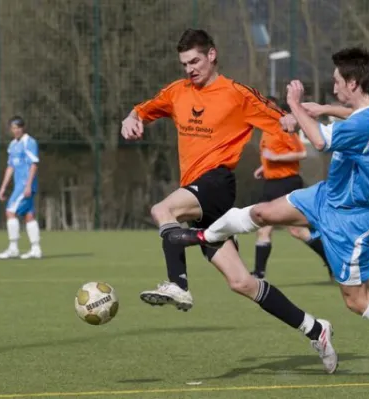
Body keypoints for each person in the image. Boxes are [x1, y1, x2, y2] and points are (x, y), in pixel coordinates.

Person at [167, 47, 369, 387]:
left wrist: (296, 105)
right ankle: (205, 236)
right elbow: (354, 112)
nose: (334, 87)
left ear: (354, 82)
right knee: (261, 212)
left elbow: (317, 139)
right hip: (327, 196)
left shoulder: (364, 122)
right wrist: (325, 108)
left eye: (337, 82)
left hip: (349, 217)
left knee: (357, 301)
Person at [121, 29, 338, 373]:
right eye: (184, 63)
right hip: (196, 193)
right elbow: (143, 109)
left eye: (195, 61)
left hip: (217, 183)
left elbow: (281, 119)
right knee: (242, 282)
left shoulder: (237, 94)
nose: (189, 68)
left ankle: (178, 284)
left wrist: (295, 116)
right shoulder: (177, 92)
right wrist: (131, 119)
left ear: (212, 55)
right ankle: (315, 328)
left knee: (162, 210)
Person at [251, 95, 336, 280]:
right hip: (271, 183)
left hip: (287, 182)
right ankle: (259, 274)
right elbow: (272, 154)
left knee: (297, 230)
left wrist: (275, 159)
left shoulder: (285, 129)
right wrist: (264, 166)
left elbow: (301, 152)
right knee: (263, 228)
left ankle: (332, 260)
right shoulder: (266, 130)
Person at [0, 116, 42, 260]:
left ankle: (13, 248)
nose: (15, 130)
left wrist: (28, 185)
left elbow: (34, 164)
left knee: (10, 211)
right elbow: (11, 167)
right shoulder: (12, 145)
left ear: (23, 128)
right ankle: (36, 249)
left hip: (25, 185)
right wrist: (3, 187)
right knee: (29, 215)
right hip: (19, 185)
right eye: (13, 128)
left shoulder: (29, 142)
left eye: (18, 127)